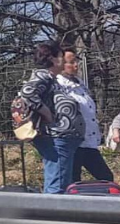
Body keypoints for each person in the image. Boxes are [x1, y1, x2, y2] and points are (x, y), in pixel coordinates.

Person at [13, 42, 85, 194]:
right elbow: (28, 92)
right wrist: (46, 113)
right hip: (55, 137)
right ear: (53, 59)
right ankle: (52, 215)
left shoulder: (52, 79)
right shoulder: (44, 75)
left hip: (60, 138)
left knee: (61, 183)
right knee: (57, 185)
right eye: (61, 57)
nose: (64, 61)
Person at [58, 50, 115, 182]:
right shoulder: (58, 86)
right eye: (71, 62)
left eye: (76, 61)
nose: (76, 65)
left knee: (106, 178)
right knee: (72, 181)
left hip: (88, 142)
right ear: (60, 64)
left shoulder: (80, 85)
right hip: (72, 143)